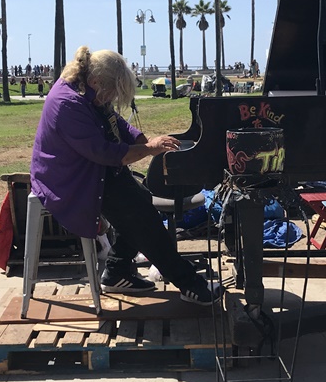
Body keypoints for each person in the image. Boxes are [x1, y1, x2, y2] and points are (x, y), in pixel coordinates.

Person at [30, 46, 221, 304]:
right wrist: (148, 149)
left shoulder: (87, 88)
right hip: (69, 180)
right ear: (97, 81)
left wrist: (145, 141)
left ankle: (117, 271)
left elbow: (116, 121)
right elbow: (104, 153)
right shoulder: (68, 103)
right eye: (113, 92)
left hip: (89, 169)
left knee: (140, 199)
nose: (112, 99)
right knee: (141, 218)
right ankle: (190, 284)